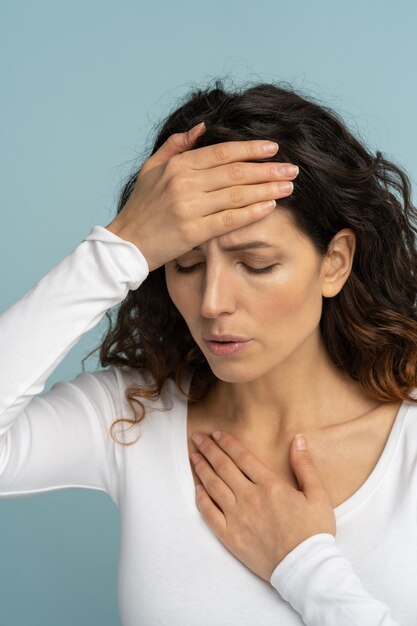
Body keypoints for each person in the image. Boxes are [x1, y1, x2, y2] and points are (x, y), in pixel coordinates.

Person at [1, 79, 417, 626]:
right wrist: (120, 248)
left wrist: (304, 566)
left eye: (256, 264)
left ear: (334, 262)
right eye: (186, 265)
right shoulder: (134, 416)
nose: (213, 303)